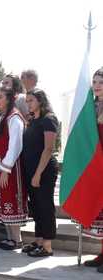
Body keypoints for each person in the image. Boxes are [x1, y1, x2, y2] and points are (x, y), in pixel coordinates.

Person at [0, 87, 28, 250]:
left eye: (0, 97)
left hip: (9, 166)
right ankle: (10, 238)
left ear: (9, 99)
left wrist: (6, 168)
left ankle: (17, 239)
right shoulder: (1, 116)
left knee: (10, 199)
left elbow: (16, 145)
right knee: (2, 201)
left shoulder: (14, 117)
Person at [21, 89, 58, 257]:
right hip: (30, 169)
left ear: (41, 101)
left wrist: (37, 174)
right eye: (27, 101)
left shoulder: (48, 119)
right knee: (35, 206)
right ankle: (39, 240)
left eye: (31, 100)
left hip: (44, 170)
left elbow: (48, 148)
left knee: (45, 206)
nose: (28, 103)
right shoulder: (32, 120)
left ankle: (48, 245)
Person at [83, 68, 103, 272]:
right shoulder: (90, 106)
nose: (96, 86)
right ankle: (102, 253)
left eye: (101, 82)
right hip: (95, 166)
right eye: (94, 82)